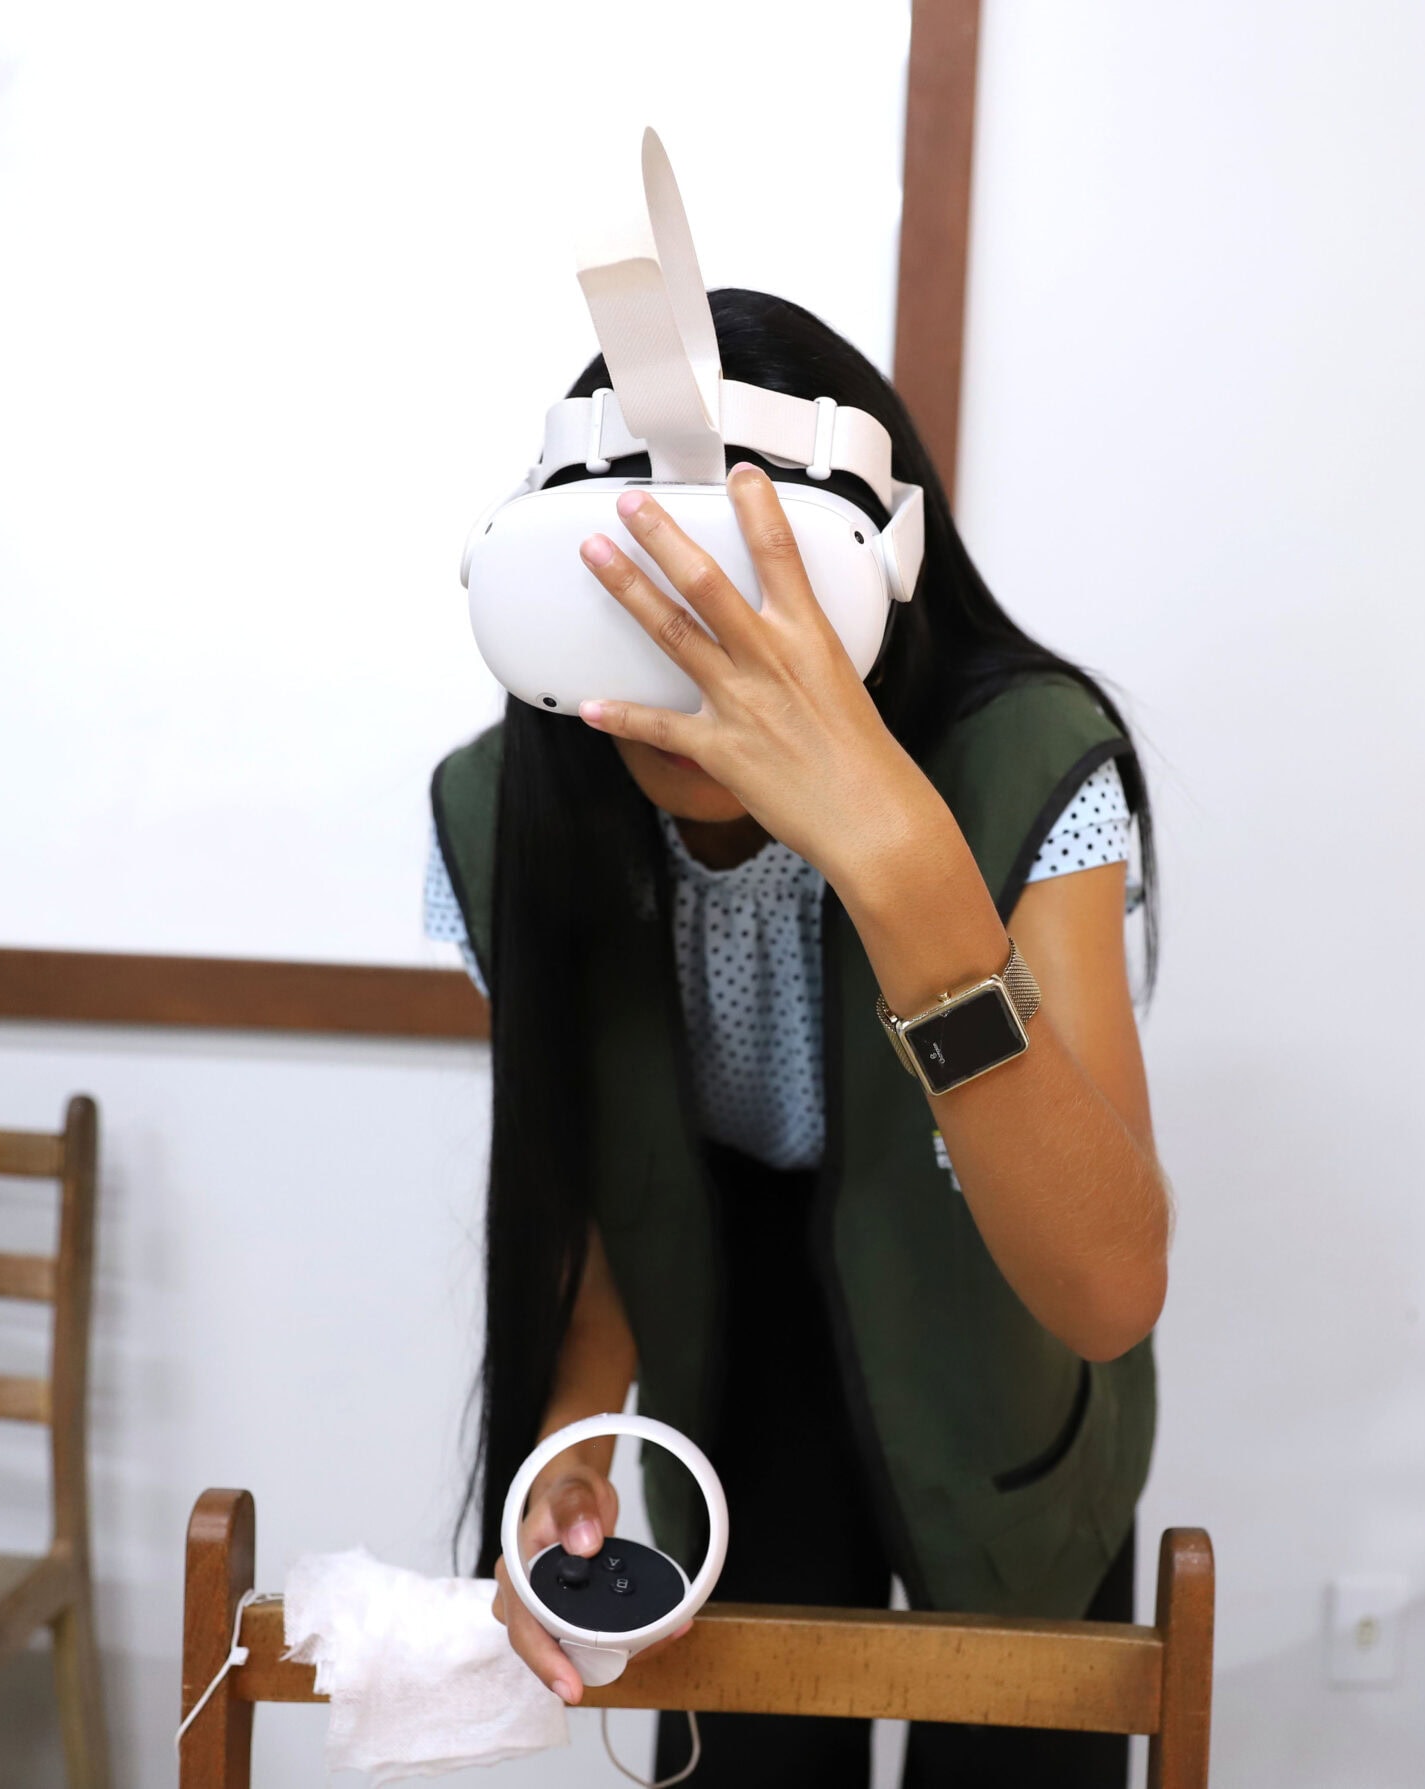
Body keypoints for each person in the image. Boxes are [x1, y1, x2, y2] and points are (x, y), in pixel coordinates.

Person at [426, 289, 1168, 1788]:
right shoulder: (513, 803)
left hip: (988, 1296)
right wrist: (572, 1435)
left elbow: (1106, 1290)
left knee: (1017, 1737)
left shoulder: (1023, 759)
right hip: (721, 1309)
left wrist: (903, 867)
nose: (703, 678)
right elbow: (604, 1167)